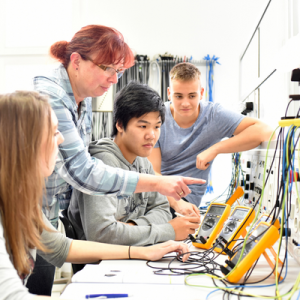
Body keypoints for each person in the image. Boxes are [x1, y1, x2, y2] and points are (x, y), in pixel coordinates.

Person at [30, 25, 205, 295]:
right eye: (107, 69)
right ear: (76, 61)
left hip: (47, 223)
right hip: (32, 217)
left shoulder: (83, 97)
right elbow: (82, 172)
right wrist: (161, 200)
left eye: (118, 71)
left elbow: (60, 247)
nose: (113, 79)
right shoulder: (50, 96)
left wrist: (140, 233)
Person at [0, 91, 190, 300]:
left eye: (157, 126)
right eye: (54, 132)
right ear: (24, 142)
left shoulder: (22, 200)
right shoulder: (103, 158)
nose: (62, 138)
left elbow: (60, 247)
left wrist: (142, 251)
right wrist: (163, 231)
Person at [68, 81, 201, 245]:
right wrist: (169, 231)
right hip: (101, 264)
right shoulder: (101, 163)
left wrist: (130, 227)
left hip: (134, 252)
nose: (151, 135)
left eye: (157, 127)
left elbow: (162, 210)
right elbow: (102, 235)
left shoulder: (143, 161)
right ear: (119, 125)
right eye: (143, 126)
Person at [148, 62, 274, 218]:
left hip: (186, 200)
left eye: (192, 96)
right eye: (178, 96)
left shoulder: (214, 115)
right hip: (160, 195)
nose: (185, 103)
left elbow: (265, 130)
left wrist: (215, 149)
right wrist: (174, 202)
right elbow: (153, 173)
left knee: (151, 225)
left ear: (201, 93)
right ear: (169, 93)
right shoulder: (158, 119)